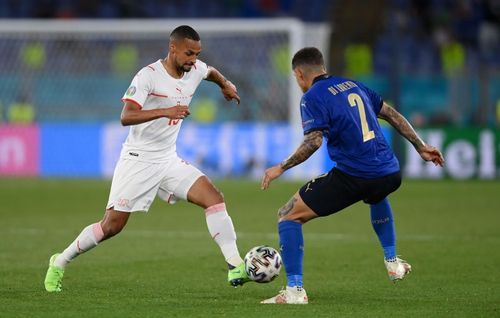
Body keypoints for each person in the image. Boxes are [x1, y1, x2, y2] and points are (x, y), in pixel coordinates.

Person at [44, 25, 250, 292]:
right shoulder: (148, 76)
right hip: (138, 159)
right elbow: (125, 116)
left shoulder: (195, 69)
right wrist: (166, 111)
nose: (193, 59)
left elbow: (209, 71)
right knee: (111, 226)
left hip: (167, 159)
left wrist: (225, 84)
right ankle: (59, 261)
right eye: (189, 53)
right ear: (172, 48)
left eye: (197, 54)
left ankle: (235, 265)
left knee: (214, 198)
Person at [260, 47, 445, 304]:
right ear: (322, 67)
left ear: (299, 74)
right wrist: (420, 145)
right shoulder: (353, 84)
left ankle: (294, 291)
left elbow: (313, 142)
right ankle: (392, 262)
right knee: (376, 194)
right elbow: (391, 114)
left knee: (287, 215)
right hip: (390, 171)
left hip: (356, 175)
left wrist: (281, 167)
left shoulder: (312, 97)